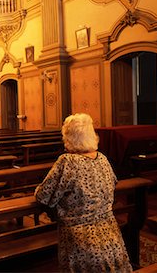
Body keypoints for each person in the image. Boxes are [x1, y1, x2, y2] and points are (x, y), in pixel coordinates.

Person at [34, 113, 132, 272]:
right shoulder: (103, 159)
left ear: (69, 137)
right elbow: (112, 186)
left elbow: (43, 196)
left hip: (81, 240)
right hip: (111, 236)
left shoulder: (67, 161)